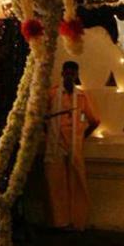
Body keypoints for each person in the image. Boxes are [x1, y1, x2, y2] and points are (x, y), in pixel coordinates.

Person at [40, 61, 101, 231]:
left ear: (76, 75)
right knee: (55, 183)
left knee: (77, 182)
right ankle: (60, 221)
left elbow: (94, 121)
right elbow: (42, 117)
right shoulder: (51, 94)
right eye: (66, 73)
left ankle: (77, 220)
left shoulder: (81, 96)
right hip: (55, 143)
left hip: (74, 144)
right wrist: (48, 133)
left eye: (72, 73)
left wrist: (81, 137)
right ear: (62, 73)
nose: (69, 76)